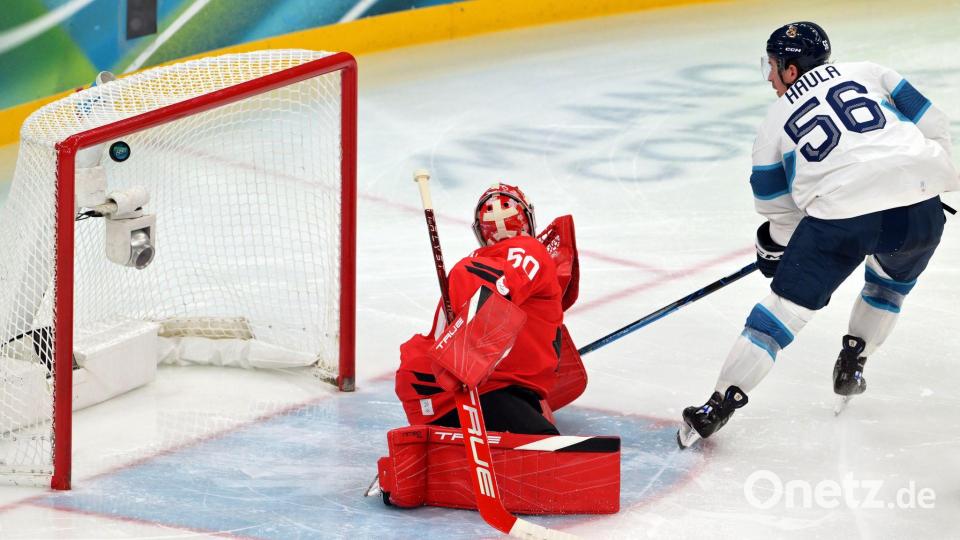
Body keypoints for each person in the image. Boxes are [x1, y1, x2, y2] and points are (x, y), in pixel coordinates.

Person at [678, 22, 958, 447]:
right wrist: (930, 179)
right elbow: (934, 124)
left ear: (791, 70)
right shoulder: (871, 71)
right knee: (888, 287)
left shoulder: (773, 122)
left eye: (773, 66)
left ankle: (717, 407)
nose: (770, 77)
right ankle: (854, 361)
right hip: (921, 211)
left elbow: (778, 208)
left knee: (779, 316)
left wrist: (778, 249)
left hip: (844, 219)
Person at [396, 183, 582, 435]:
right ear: (528, 221)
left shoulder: (478, 261)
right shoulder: (531, 251)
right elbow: (499, 286)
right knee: (550, 450)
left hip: (428, 396)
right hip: (476, 392)